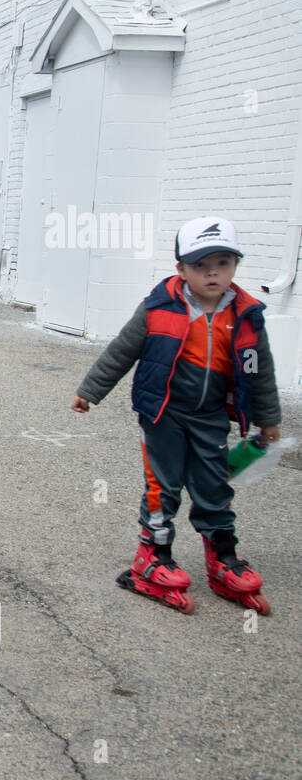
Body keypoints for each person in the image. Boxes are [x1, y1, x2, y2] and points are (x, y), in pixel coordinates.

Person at [71, 217, 282, 615]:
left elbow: (261, 371)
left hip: (211, 418)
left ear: (235, 266)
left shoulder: (247, 315)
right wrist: (89, 391)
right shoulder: (158, 307)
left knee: (215, 486)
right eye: (200, 265)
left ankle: (223, 557)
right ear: (181, 269)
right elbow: (121, 351)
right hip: (163, 414)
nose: (212, 272)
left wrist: (268, 418)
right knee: (162, 486)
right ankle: (153, 555)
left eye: (222, 262)